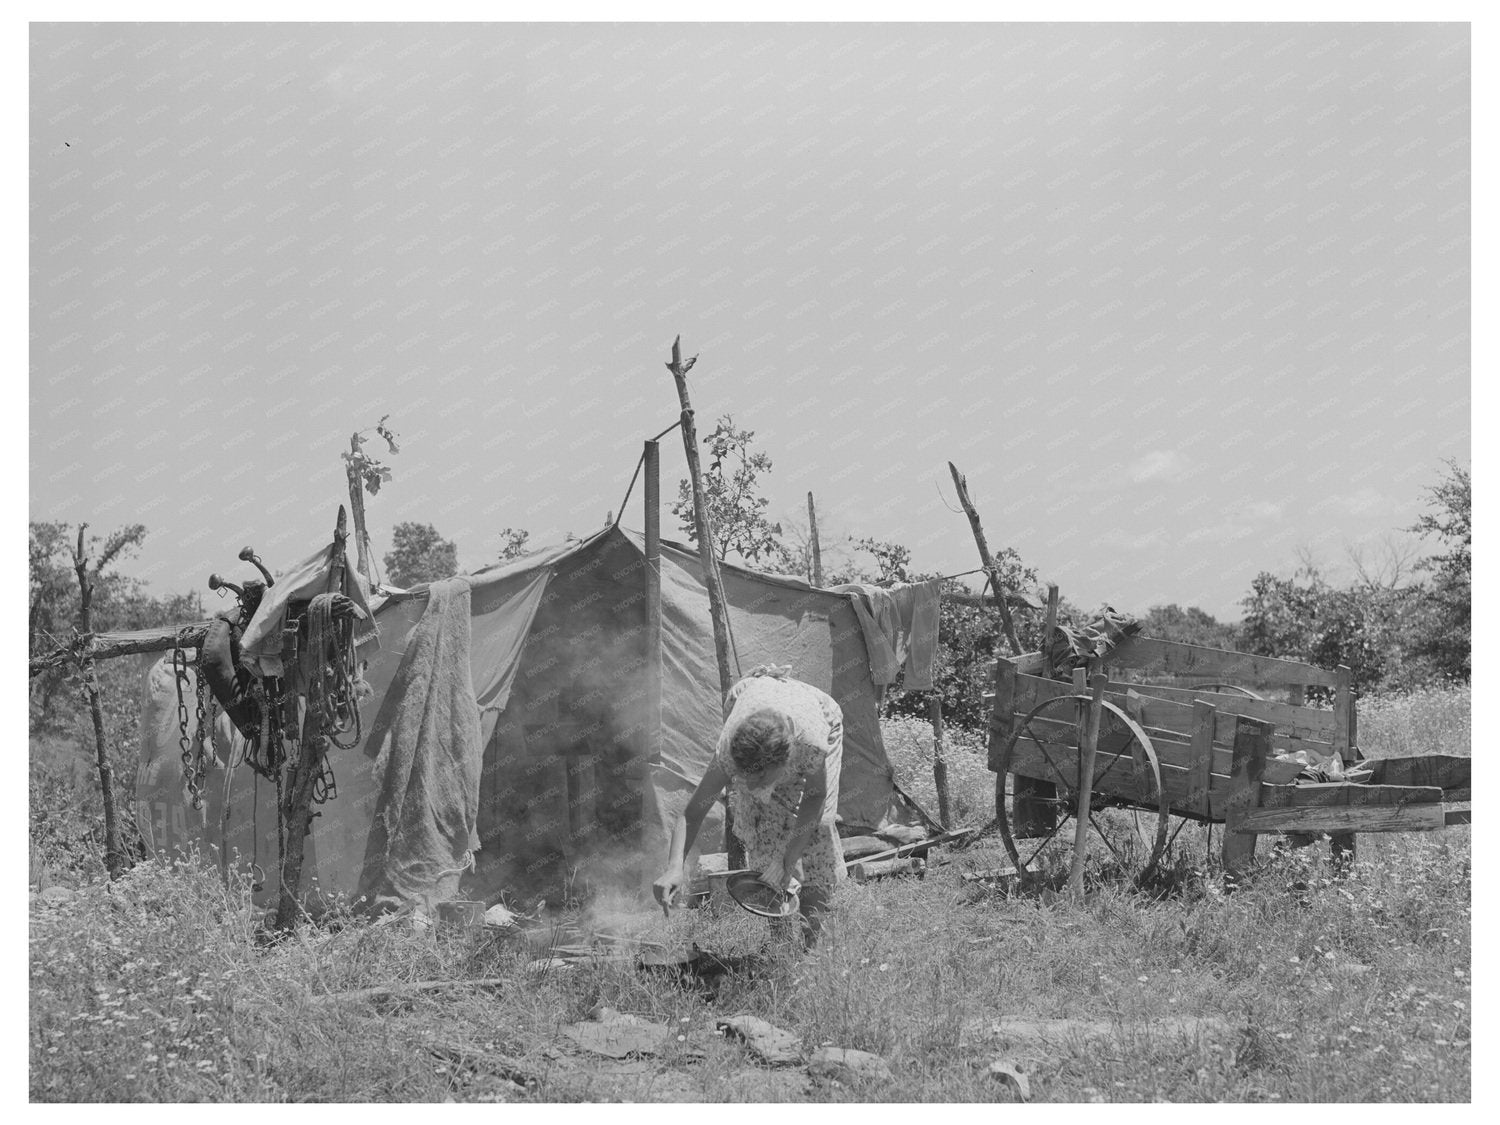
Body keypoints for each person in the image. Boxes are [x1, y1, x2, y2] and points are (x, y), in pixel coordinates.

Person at [653, 665, 845, 947]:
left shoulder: (811, 744)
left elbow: (815, 797)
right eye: (746, 778)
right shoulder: (730, 754)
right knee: (762, 828)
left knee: (820, 830)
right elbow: (691, 814)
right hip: (752, 702)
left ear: (786, 764)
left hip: (817, 712)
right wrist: (673, 867)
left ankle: (813, 943)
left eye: (761, 778)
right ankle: (781, 946)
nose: (752, 786)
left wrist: (788, 858)